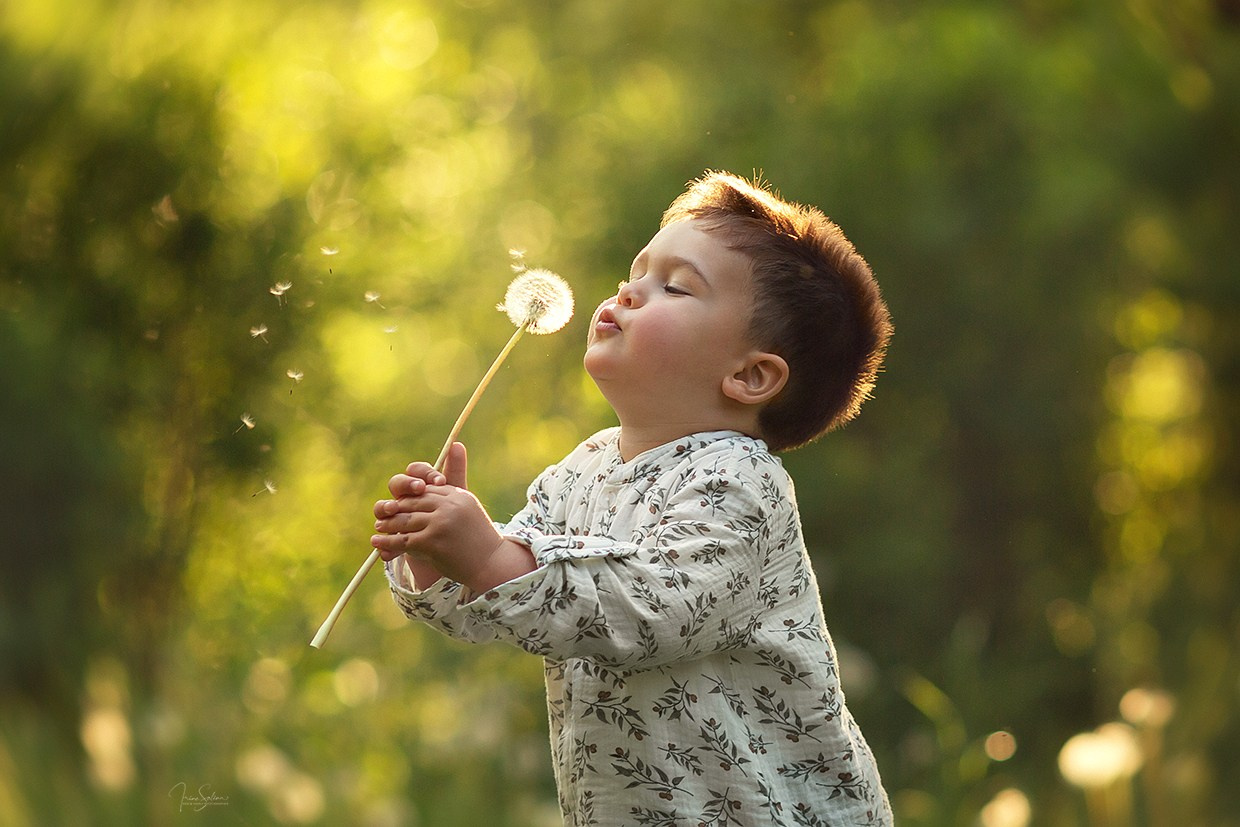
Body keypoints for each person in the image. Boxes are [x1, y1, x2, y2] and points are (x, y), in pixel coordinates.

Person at [370, 171, 894, 825]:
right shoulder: (581, 470)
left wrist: (488, 557)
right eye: (636, 271)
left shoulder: (741, 485)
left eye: (674, 286)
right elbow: (504, 602)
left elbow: (649, 608)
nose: (629, 290)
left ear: (751, 374)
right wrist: (437, 555)